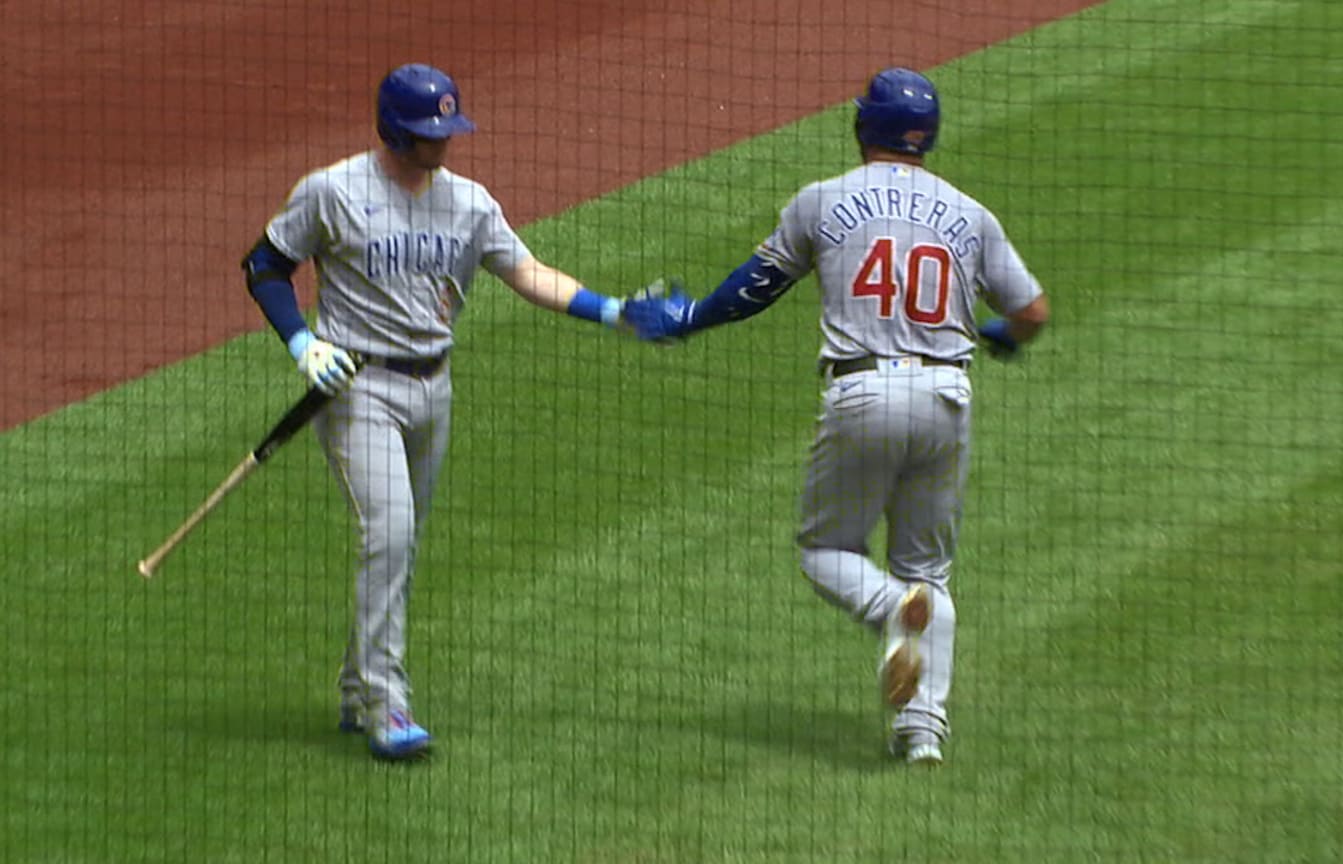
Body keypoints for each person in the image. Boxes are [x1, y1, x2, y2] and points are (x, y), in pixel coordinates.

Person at [624, 67, 1049, 765]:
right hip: (948, 399)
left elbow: (756, 287)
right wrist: (1001, 338)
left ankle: (888, 610)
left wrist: (691, 318)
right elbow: (1032, 311)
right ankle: (921, 733)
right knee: (927, 572)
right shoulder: (970, 213)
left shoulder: (824, 200)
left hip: (862, 396)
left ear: (862, 126)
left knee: (826, 554)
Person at [243, 63, 653, 760]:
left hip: (435, 390)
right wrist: (302, 342)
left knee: (399, 545)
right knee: (391, 534)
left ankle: (354, 687)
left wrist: (611, 310)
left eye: (448, 129)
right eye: (431, 132)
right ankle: (385, 703)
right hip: (356, 389)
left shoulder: (468, 203)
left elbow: (527, 273)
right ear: (395, 131)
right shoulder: (333, 191)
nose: (444, 143)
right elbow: (264, 265)